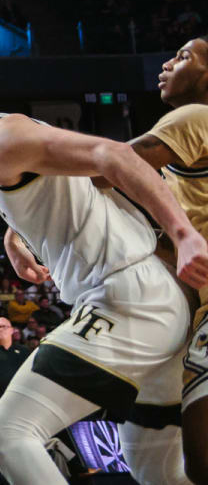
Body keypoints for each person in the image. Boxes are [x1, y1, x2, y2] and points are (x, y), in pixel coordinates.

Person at [0, 44, 208, 484]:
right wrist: (17, 233)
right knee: (154, 469)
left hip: (129, 299)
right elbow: (86, 179)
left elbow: (115, 156)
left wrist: (185, 234)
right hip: (151, 300)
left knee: (6, 431)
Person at [117, 35, 208, 480]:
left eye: (184, 56)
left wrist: (20, 200)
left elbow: (106, 163)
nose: (167, 63)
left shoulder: (196, 116)